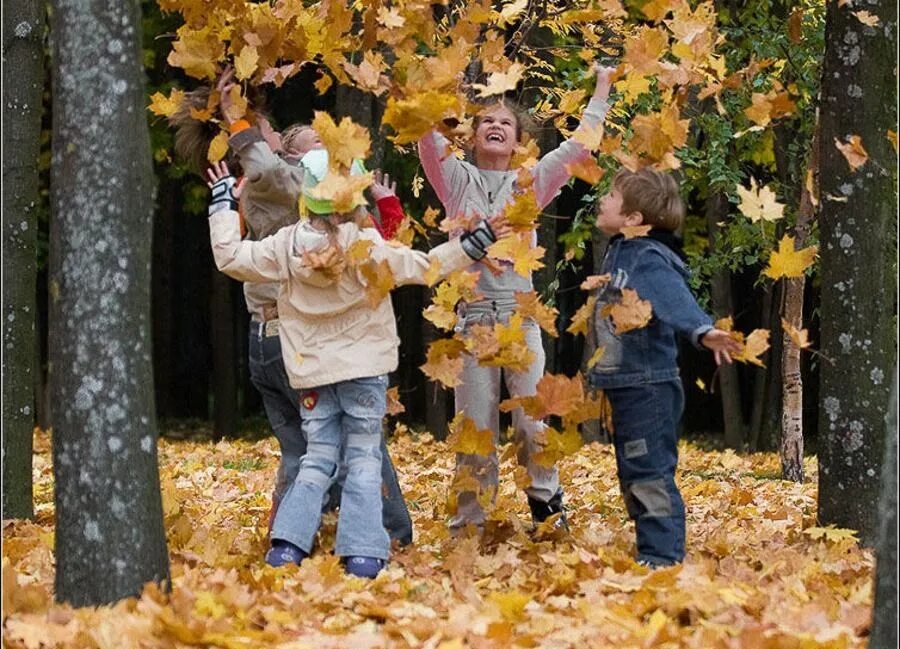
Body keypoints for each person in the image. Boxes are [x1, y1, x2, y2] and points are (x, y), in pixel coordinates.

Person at [206, 155, 506, 577]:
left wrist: (221, 205)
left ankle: (287, 545)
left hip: (311, 372)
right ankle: (363, 552)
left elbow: (231, 258)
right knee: (363, 458)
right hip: (363, 370)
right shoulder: (365, 247)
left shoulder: (287, 245)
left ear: (307, 202)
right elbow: (423, 267)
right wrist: (473, 244)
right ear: (353, 202)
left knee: (317, 456)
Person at [417, 65, 616, 534]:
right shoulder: (455, 178)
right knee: (476, 431)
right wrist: (435, 85)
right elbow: (427, 139)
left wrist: (602, 87)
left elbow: (578, 149)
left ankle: (548, 513)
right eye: (487, 120)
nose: (496, 126)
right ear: (472, 135)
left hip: (520, 321)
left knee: (533, 424)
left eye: (506, 122)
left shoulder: (533, 180)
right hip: (474, 324)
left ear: (519, 139)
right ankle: (469, 524)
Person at [588, 167, 742, 567]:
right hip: (628, 384)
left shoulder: (647, 256)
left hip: (649, 388)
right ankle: (652, 548)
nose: (602, 200)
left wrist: (702, 331)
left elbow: (674, 298)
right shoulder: (621, 249)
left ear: (634, 219)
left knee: (649, 471)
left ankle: (663, 557)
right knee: (633, 470)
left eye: (611, 197)